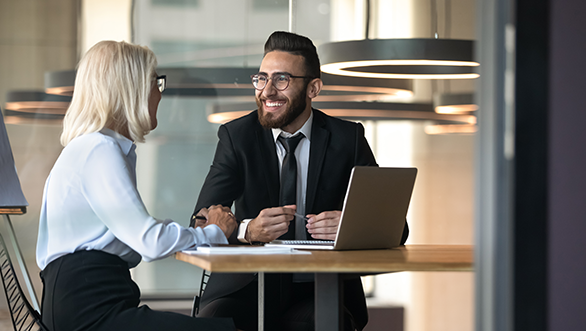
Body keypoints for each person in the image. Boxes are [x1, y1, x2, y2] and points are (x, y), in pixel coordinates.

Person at [191, 31, 409, 331]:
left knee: (328, 324)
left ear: (313, 88)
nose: (267, 91)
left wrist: (350, 226)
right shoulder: (236, 137)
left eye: (281, 80)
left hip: (321, 287)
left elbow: (396, 228)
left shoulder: (348, 139)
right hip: (245, 286)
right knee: (215, 324)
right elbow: (200, 221)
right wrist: (247, 229)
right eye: (262, 79)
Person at [35, 40, 237, 331]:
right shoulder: (98, 149)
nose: (159, 93)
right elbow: (149, 242)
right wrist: (212, 233)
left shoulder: (95, 148)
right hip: (91, 310)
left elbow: (136, 239)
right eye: (156, 82)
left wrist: (194, 232)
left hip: (85, 302)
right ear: (132, 88)